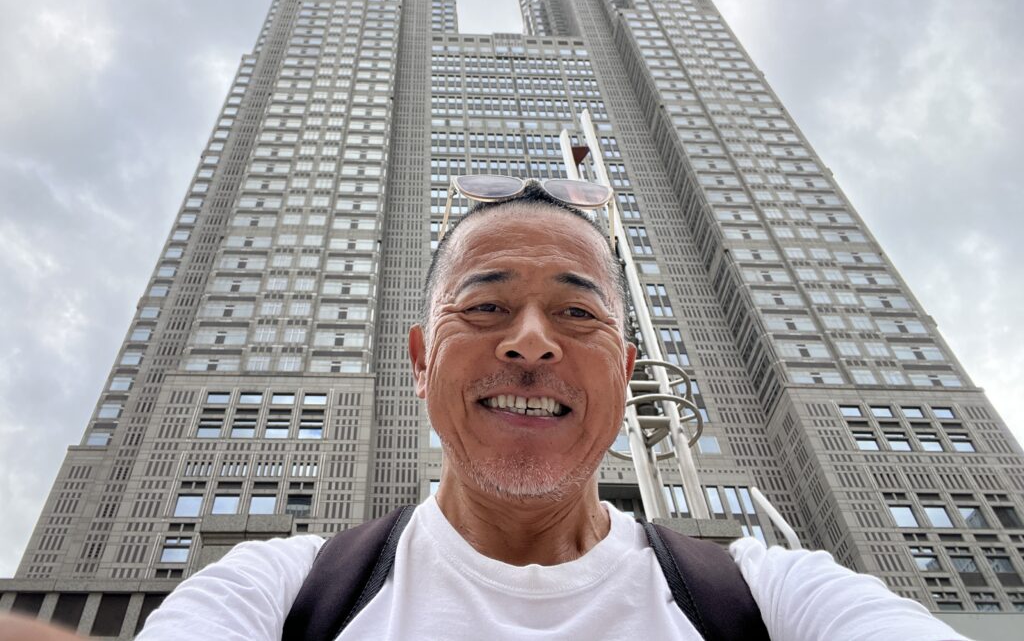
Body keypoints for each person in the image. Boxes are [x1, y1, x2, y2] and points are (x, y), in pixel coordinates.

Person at [2, 183, 969, 640]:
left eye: (578, 312)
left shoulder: (770, 598)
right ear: (423, 361)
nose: (533, 340)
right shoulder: (280, 590)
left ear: (625, 372)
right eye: (487, 304)